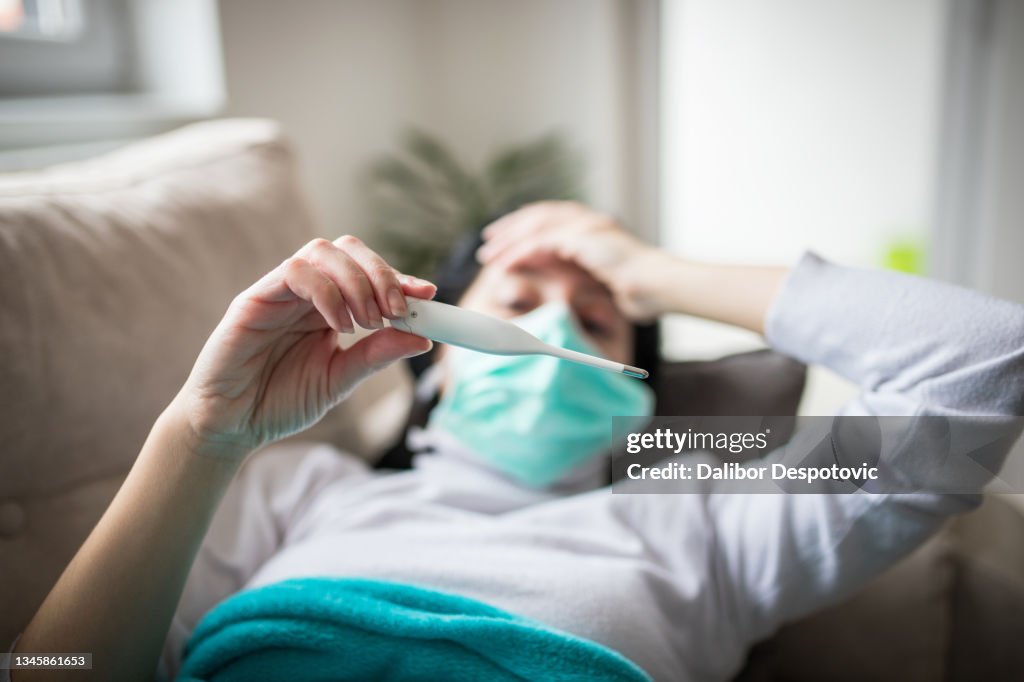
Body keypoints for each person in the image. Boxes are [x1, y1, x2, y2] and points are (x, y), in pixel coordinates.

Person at [12, 201, 1024, 681]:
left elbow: (986, 364)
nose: (552, 329)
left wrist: (651, 271)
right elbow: (54, 671)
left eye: (596, 319)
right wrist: (201, 434)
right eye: (516, 303)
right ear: (431, 359)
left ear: (637, 392)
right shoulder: (299, 489)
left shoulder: (706, 513)